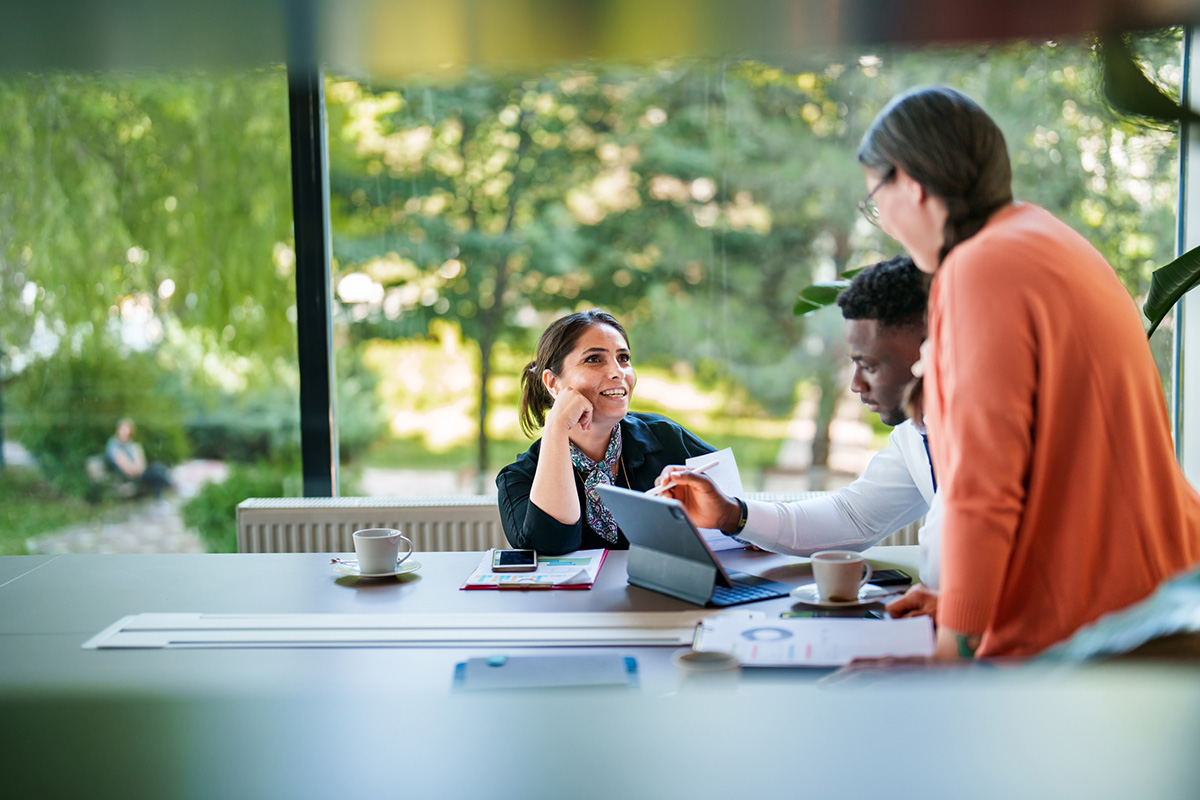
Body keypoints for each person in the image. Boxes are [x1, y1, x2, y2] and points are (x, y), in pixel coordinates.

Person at [857, 85, 1200, 660]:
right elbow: (1061, 463)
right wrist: (960, 604)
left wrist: (949, 656)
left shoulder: (977, 268)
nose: (883, 223)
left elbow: (983, 489)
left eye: (875, 199)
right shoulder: (1047, 239)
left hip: (1099, 634)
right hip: (1155, 597)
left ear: (910, 182)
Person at [656, 256, 942, 615]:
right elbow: (854, 517)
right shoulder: (914, 433)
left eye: (868, 365)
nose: (856, 385)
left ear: (931, 350)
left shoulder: (995, 436)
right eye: (854, 364)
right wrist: (731, 514)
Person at [496, 310, 715, 555]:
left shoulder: (667, 437)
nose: (618, 371)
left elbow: (733, 514)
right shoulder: (518, 479)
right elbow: (551, 549)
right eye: (594, 359)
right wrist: (556, 427)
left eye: (623, 358)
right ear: (553, 383)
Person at [105, 418, 172, 499]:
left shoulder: (131, 446)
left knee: (158, 467)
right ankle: (170, 488)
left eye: (127, 432)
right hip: (128, 477)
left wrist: (138, 466)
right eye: (123, 431)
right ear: (118, 431)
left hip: (138, 473)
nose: (125, 434)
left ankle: (162, 495)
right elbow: (126, 467)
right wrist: (136, 468)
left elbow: (141, 463)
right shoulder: (114, 445)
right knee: (157, 472)